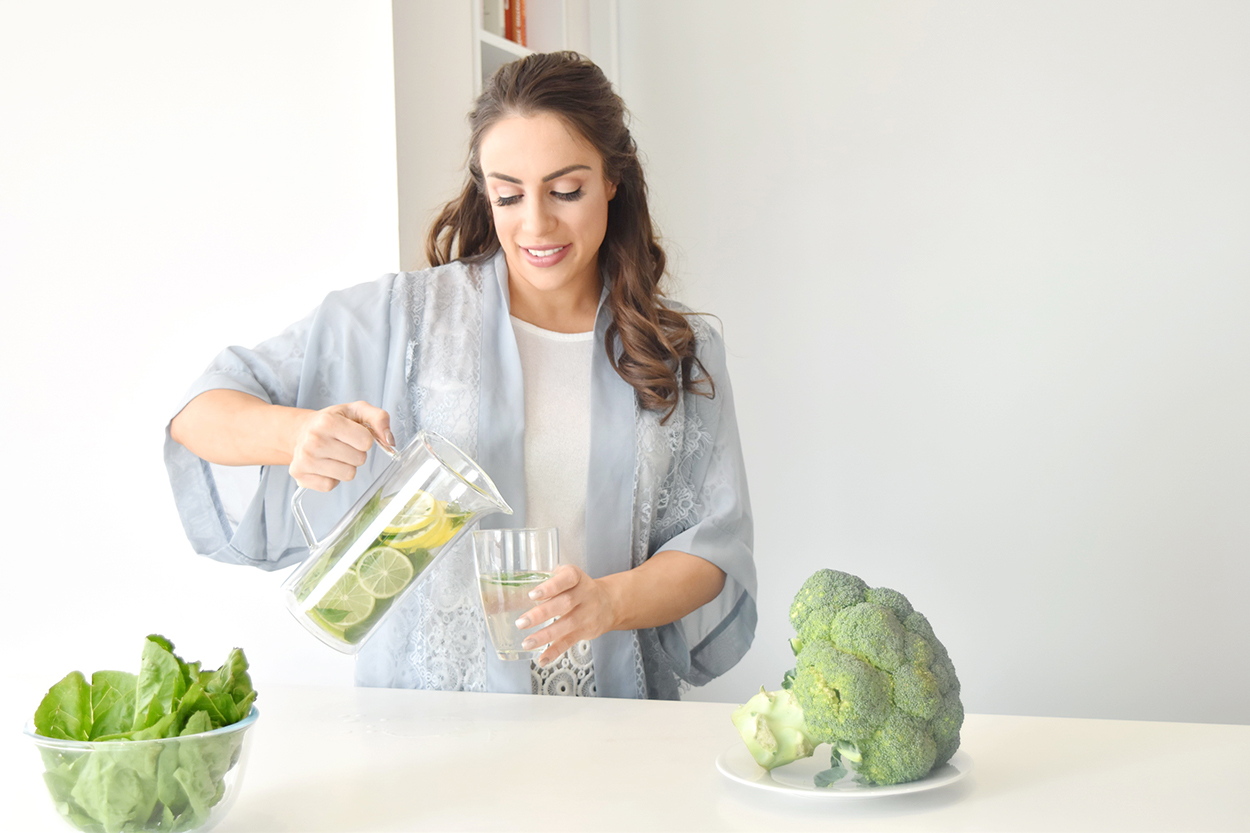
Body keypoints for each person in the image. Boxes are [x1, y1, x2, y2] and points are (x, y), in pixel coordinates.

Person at [165, 52, 755, 700]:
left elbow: (712, 548)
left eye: (565, 191)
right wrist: (299, 434)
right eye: (508, 195)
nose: (536, 224)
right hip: (430, 720)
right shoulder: (404, 319)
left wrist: (609, 602)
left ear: (613, 178)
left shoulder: (677, 349)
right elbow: (199, 415)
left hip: (610, 714)